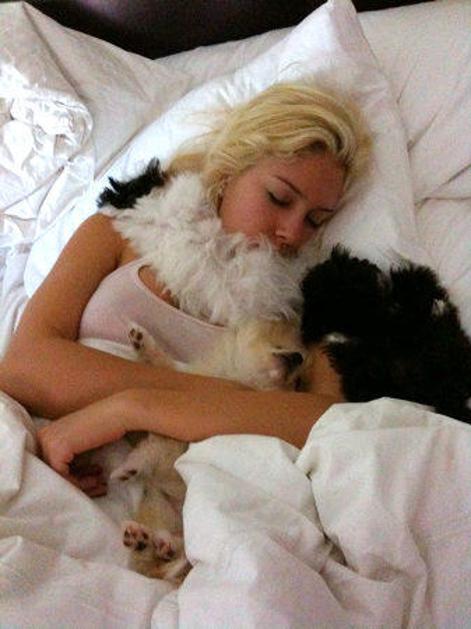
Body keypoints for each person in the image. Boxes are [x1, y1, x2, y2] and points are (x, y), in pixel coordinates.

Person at [0, 82, 371, 495]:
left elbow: (327, 424)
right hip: (40, 449)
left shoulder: (310, 303)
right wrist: (224, 399)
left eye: (315, 220)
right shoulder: (120, 229)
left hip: (177, 500)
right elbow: (25, 366)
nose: (292, 232)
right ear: (230, 171)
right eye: (279, 198)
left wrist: (132, 408)